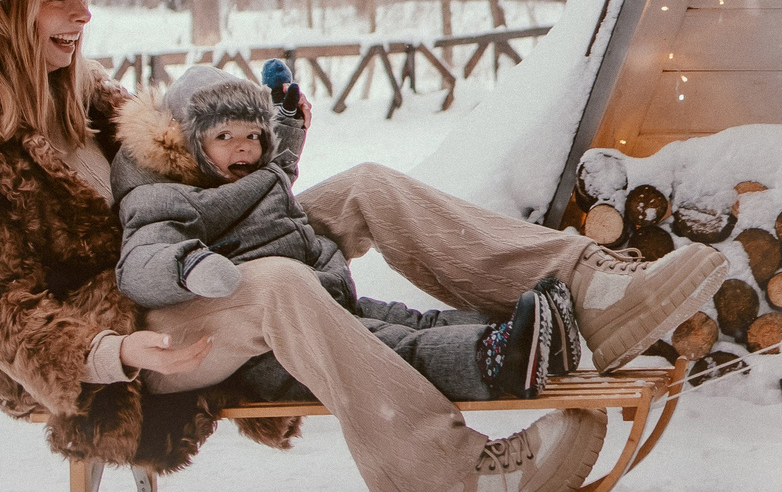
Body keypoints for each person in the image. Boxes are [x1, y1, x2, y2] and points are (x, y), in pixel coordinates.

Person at [0, 0, 726, 492]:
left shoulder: (88, 102)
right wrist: (114, 352)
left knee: (366, 187)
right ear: (5, 14)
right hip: (108, 339)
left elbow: (186, 183)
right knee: (282, 285)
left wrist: (262, 153)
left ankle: (585, 288)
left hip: (187, 265)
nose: (82, 14)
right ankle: (466, 475)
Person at [111, 63, 571, 404]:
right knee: (393, 346)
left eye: (253, 134)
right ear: (190, 142)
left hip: (322, 297)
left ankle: (533, 340)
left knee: (410, 320)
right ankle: (488, 362)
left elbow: (274, 171)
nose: (243, 147)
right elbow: (141, 259)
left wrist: (286, 120)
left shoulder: (240, 173)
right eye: (224, 135)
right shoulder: (169, 195)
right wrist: (189, 266)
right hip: (273, 345)